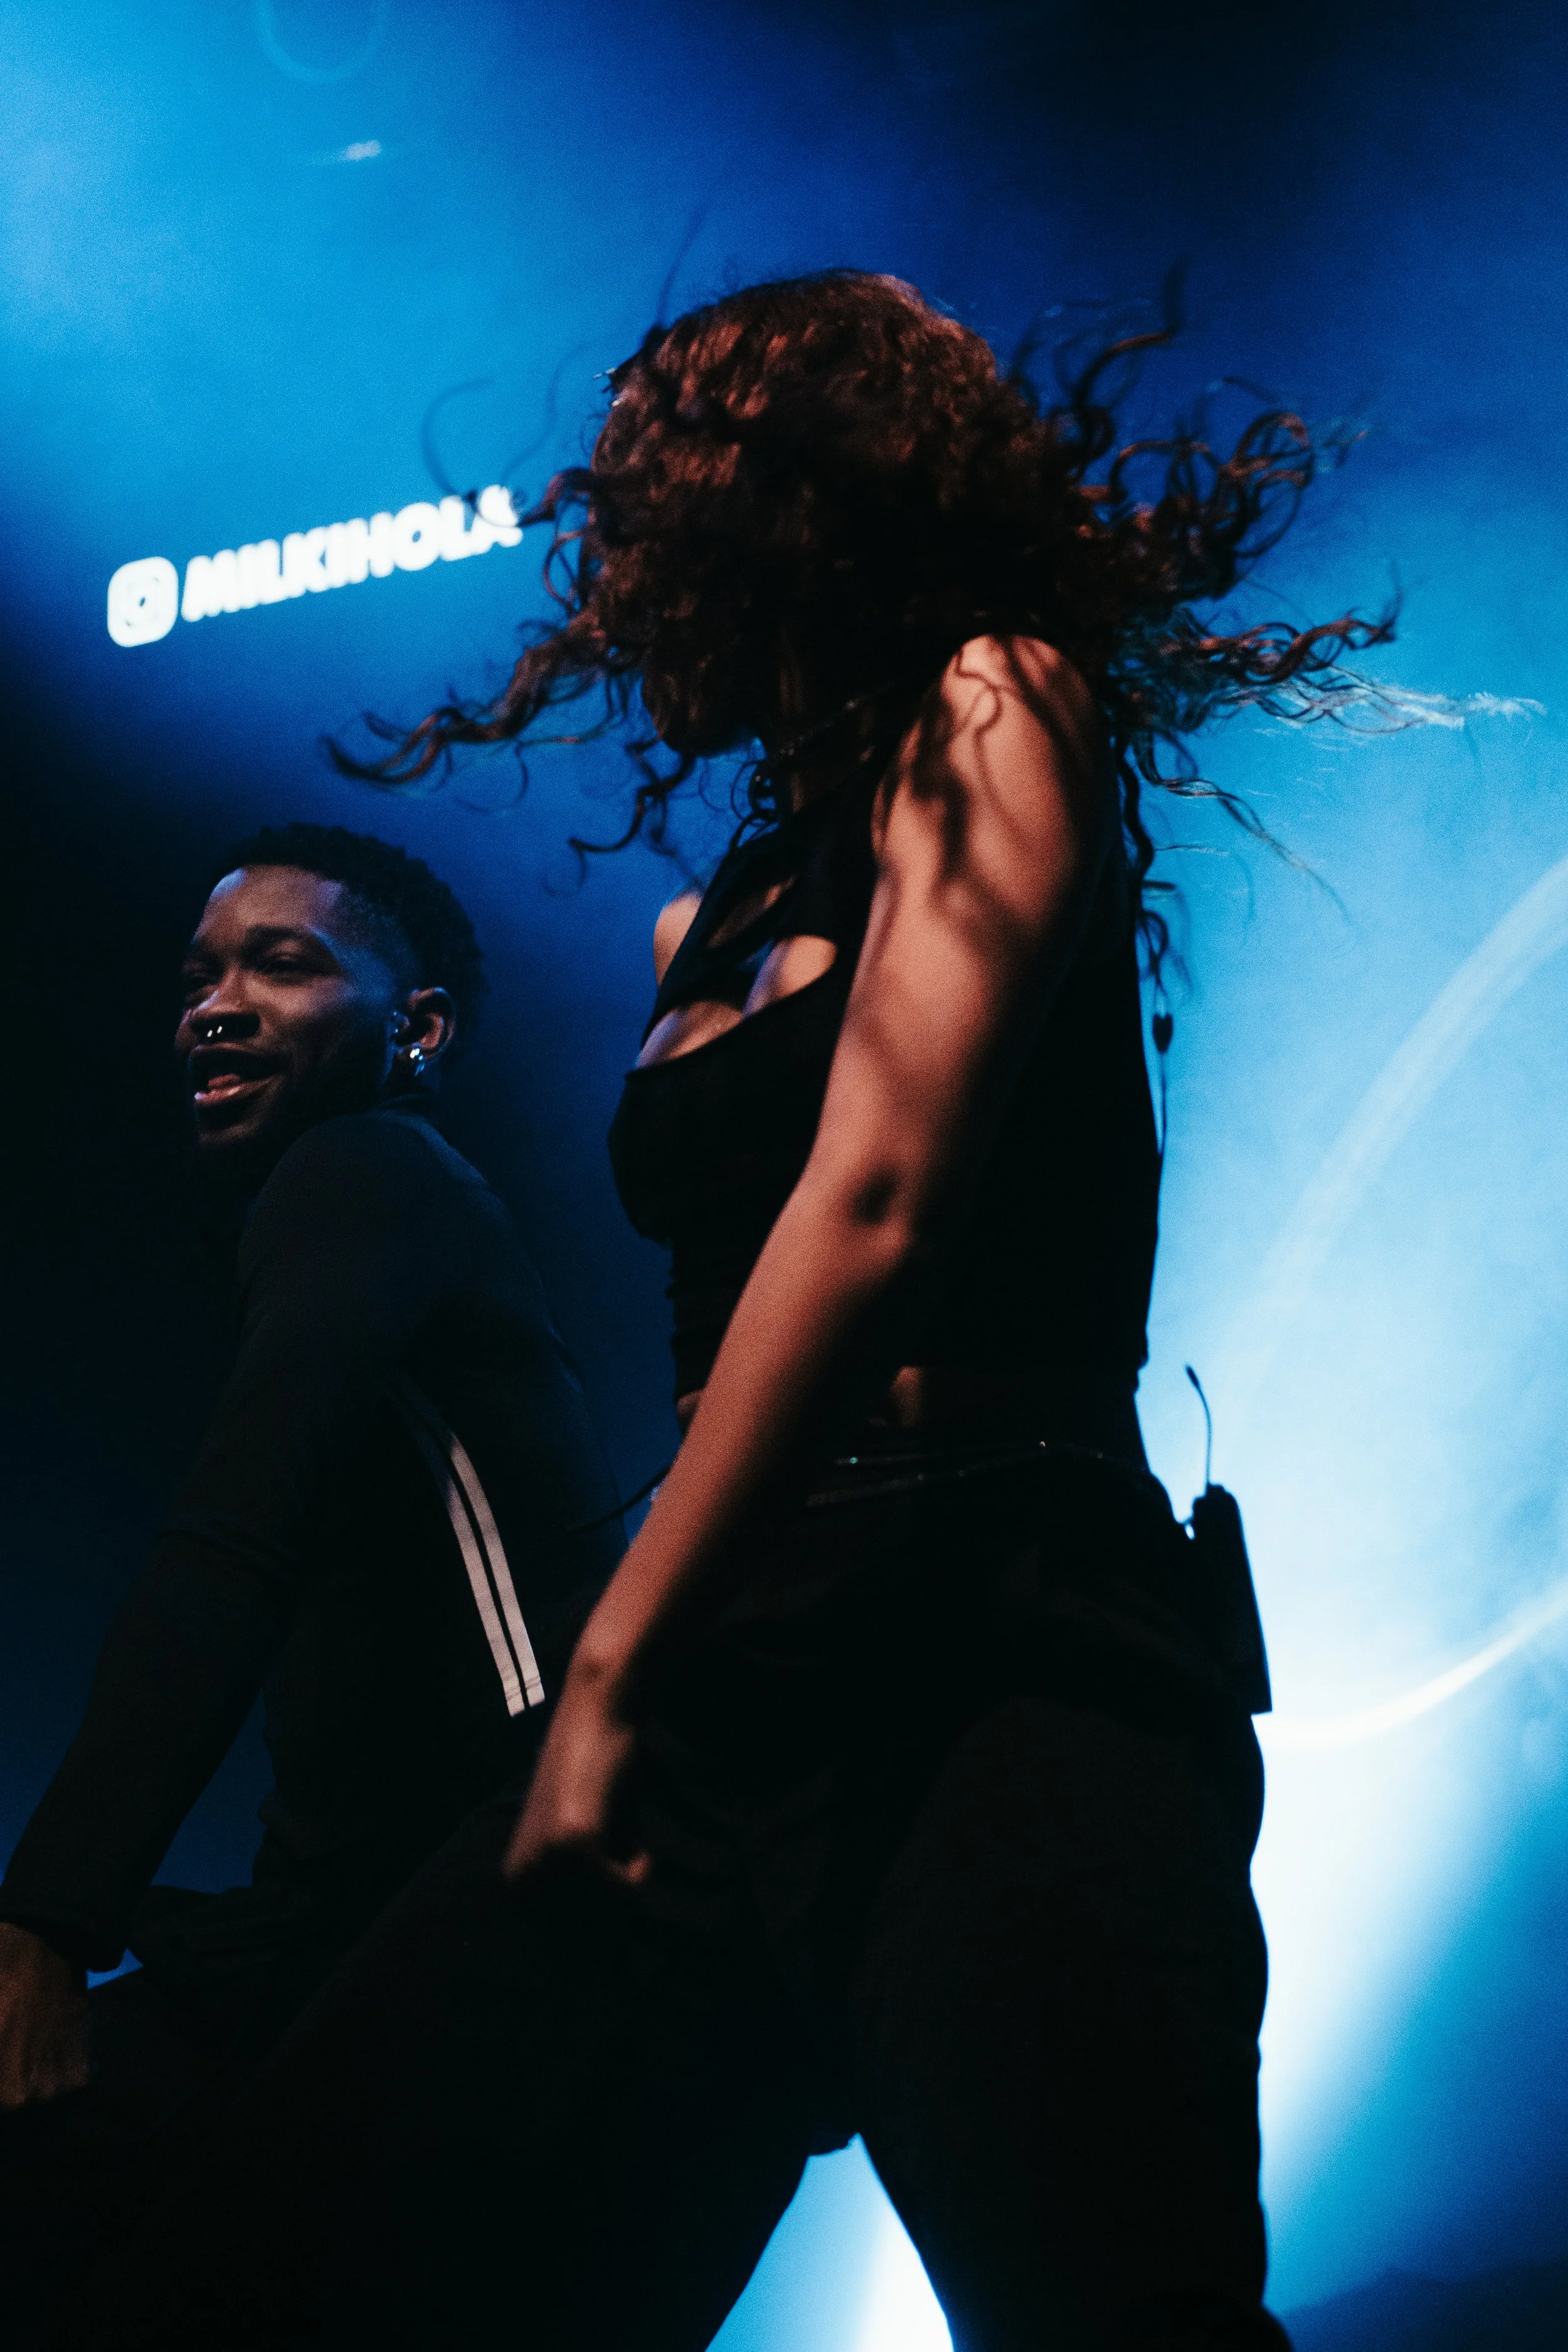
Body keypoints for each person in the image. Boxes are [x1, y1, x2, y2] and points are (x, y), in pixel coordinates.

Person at [50, 277, 1385, 2351]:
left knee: (1114, 2299)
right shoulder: (712, 917)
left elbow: (875, 1196)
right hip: (734, 1655)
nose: (611, 575)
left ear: (779, 502)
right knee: (291, 2267)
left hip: (999, 1622)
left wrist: (606, 1667)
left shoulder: (999, 704)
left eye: (646, 504)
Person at [0, 822, 621, 2340]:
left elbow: (235, 1541)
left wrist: (47, 1920)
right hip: (351, 1915)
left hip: (494, 1905)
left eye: (281, 967)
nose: (215, 1007)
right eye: (199, 977)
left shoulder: (370, 1170)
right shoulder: (355, 1211)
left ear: (418, 1029)